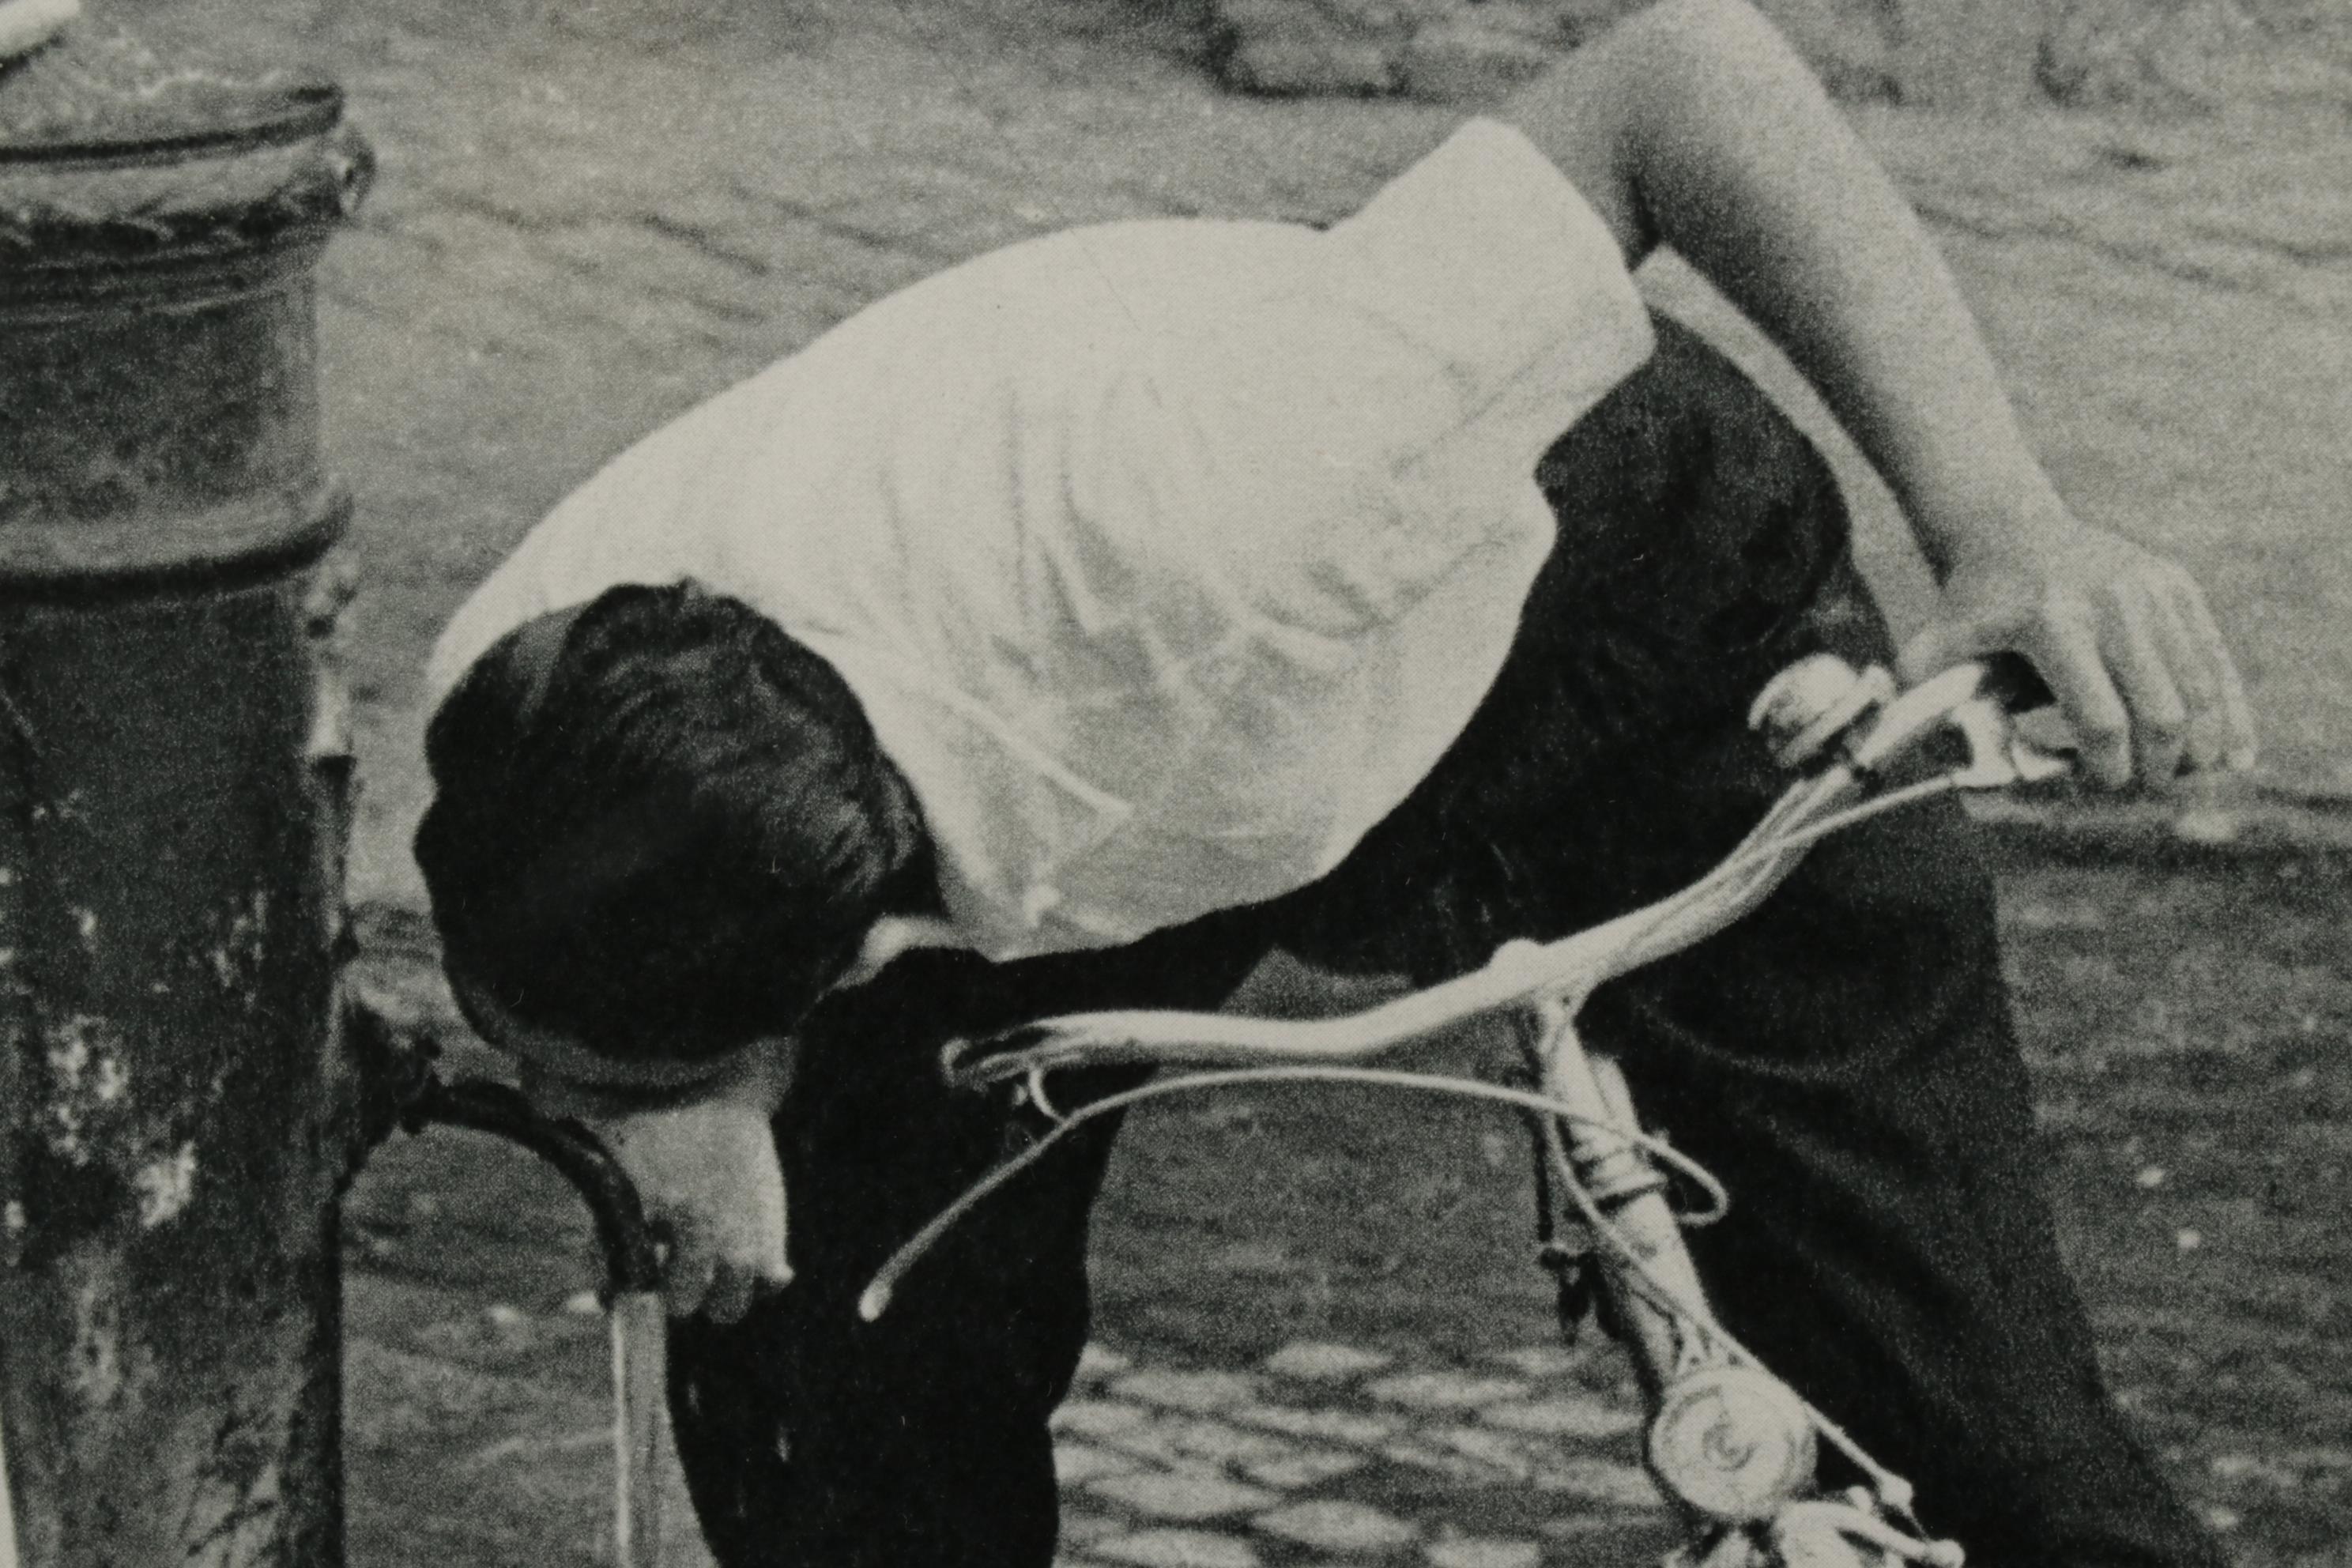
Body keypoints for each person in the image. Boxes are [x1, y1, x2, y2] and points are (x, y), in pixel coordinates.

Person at [413, 1, 2256, 1564]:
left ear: (819, 973)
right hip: (1049, 789)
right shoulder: (518, 703)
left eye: (585, 1079)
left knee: (1951, 1391)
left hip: (1589, 615)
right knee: (837, 1415)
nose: (550, 1106)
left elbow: (1678, 79)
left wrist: (2005, 521)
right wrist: (690, 1113)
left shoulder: (1232, 491)